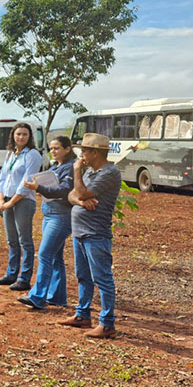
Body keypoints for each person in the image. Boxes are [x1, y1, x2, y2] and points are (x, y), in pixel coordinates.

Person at [59, 133, 121, 339]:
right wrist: (80, 201)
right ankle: (82, 314)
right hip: (81, 232)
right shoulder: (91, 172)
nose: (81, 155)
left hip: (95, 233)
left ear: (95, 153)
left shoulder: (109, 173)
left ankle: (107, 323)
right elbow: (72, 195)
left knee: (102, 278)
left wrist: (77, 172)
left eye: (84, 151)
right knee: (83, 276)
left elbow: (83, 192)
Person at [18, 136, 76, 310]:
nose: (53, 151)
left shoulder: (71, 167)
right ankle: (57, 296)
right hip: (50, 214)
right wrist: (41, 189)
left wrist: (40, 188)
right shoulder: (55, 166)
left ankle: (37, 297)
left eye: (57, 148)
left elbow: (64, 190)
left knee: (44, 254)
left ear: (67, 149)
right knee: (55, 257)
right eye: (51, 148)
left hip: (61, 216)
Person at [0, 122, 42, 291]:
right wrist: (1, 200)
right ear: (13, 136)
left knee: (25, 240)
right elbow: (2, 178)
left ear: (30, 137)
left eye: (24, 134)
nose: (21, 137)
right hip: (7, 199)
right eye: (18, 134)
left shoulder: (33, 155)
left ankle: (24, 278)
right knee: (12, 240)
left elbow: (26, 181)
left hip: (23, 201)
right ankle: (11, 274)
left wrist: (11, 202)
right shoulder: (11, 154)